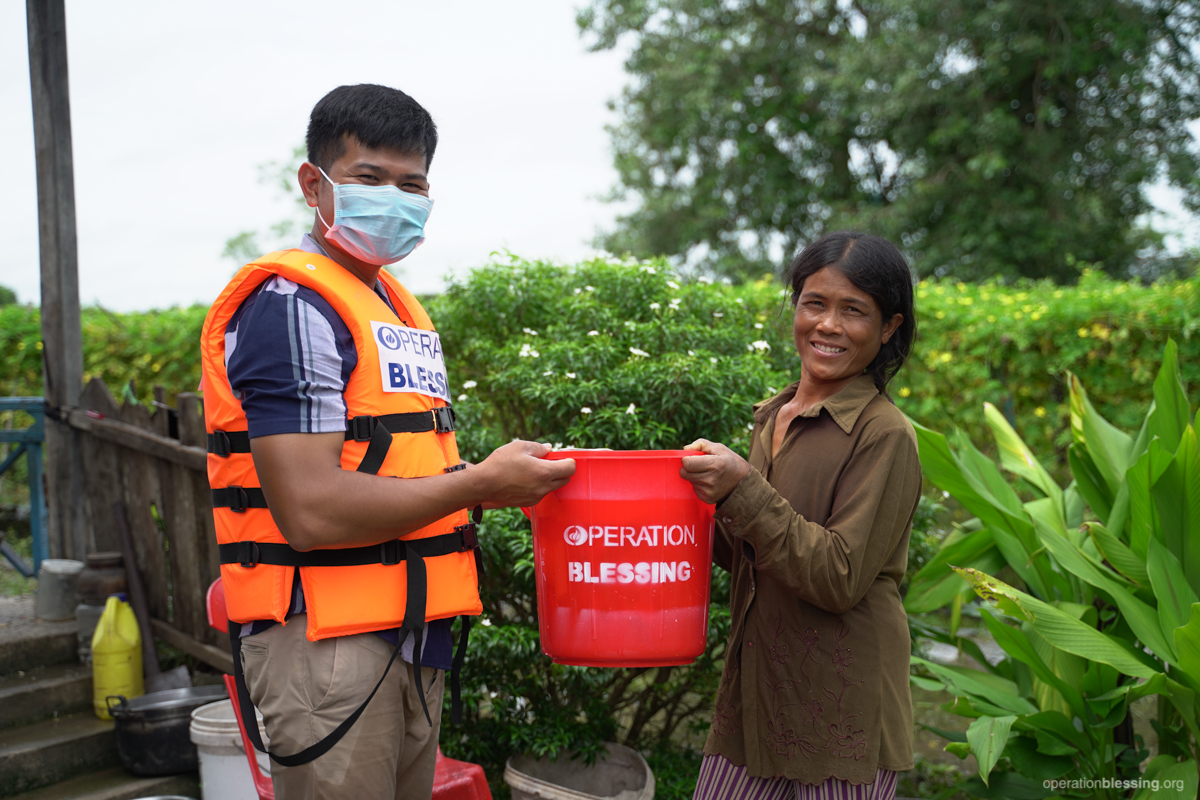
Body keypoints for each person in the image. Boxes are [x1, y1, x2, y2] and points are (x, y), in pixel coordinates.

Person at [199, 84, 575, 800]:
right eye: (369, 177)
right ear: (315, 183)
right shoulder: (292, 306)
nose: (393, 197)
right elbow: (309, 510)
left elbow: (395, 463)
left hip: (407, 634)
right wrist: (480, 484)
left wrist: (500, 478)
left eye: (413, 183)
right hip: (326, 644)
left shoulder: (393, 306)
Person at [680, 232, 920, 800]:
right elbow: (755, 555)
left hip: (843, 714)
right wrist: (685, 508)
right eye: (815, 303)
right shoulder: (774, 416)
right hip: (756, 701)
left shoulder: (884, 433)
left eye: (854, 311)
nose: (828, 326)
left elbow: (838, 576)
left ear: (889, 328)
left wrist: (741, 488)